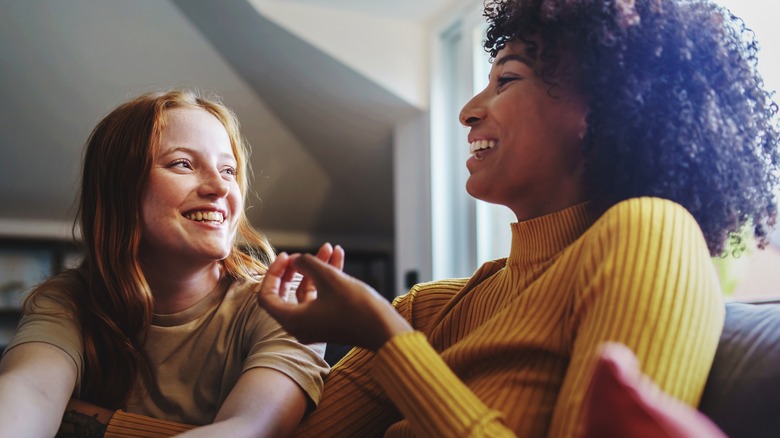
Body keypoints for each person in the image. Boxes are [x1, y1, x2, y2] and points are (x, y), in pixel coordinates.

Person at [256, 0, 780, 436]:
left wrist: (386, 339)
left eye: (506, 79)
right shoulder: (430, 310)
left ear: (602, 108)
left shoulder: (653, 237)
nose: (467, 110)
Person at [0, 90, 336, 437]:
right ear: (121, 189)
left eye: (228, 170)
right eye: (183, 164)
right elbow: (30, 391)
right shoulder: (68, 301)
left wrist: (80, 420)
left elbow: (247, 429)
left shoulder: (284, 301)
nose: (220, 186)